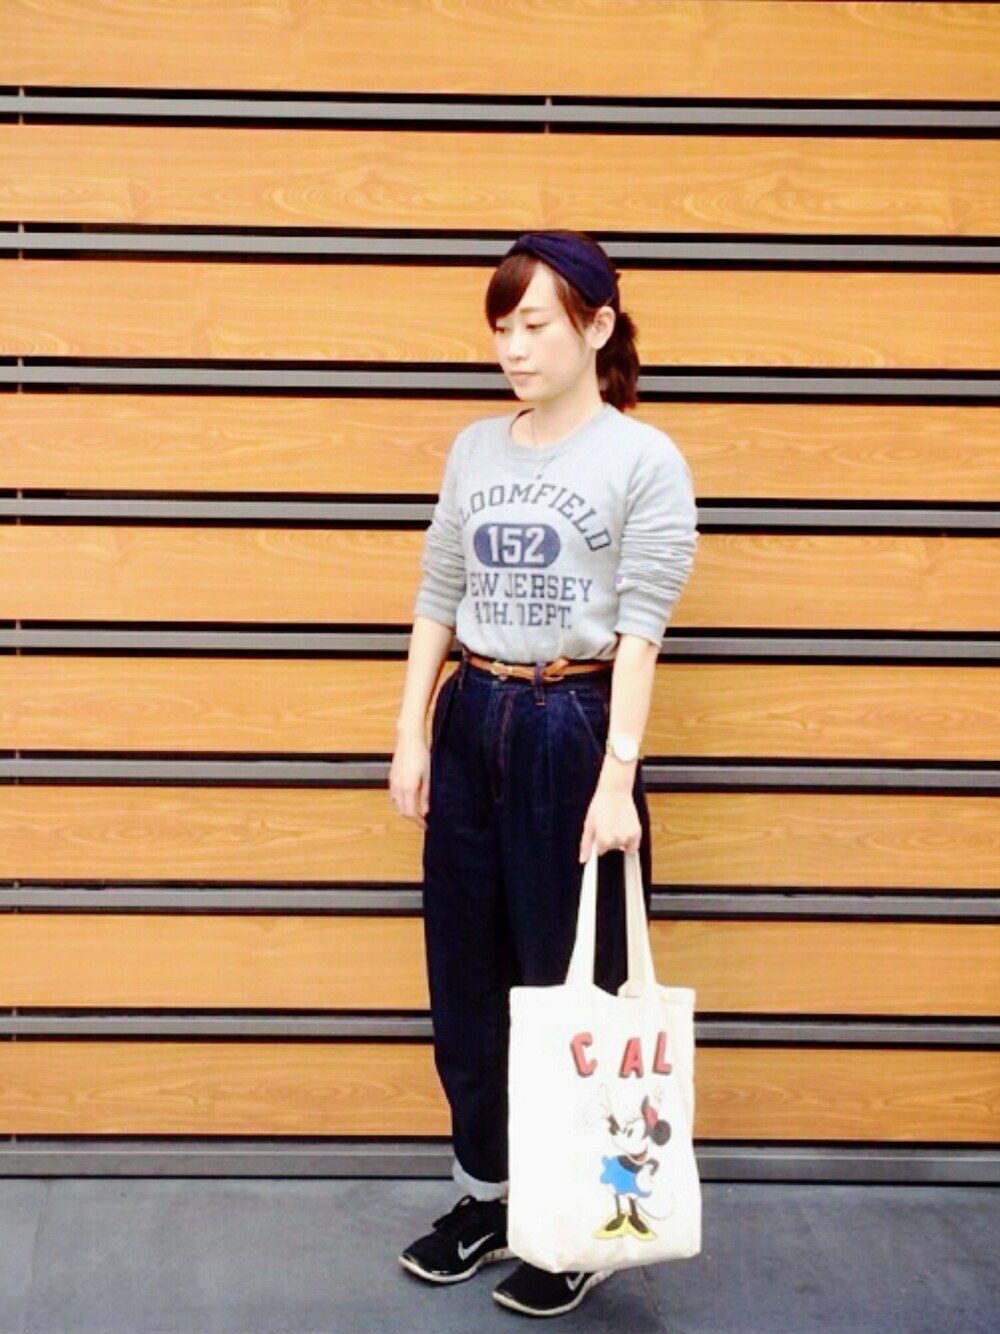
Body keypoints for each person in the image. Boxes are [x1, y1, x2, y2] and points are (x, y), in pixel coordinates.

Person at [389, 229, 698, 1318]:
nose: (512, 348)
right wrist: (412, 730)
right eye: (500, 327)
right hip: (472, 711)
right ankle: (486, 1195)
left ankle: (576, 1221)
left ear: (597, 327)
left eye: (535, 325)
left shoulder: (642, 458)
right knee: (465, 977)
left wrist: (618, 778)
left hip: (574, 722)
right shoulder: (477, 447)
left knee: (575, 982)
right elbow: (439, 587)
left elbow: (644, 629)